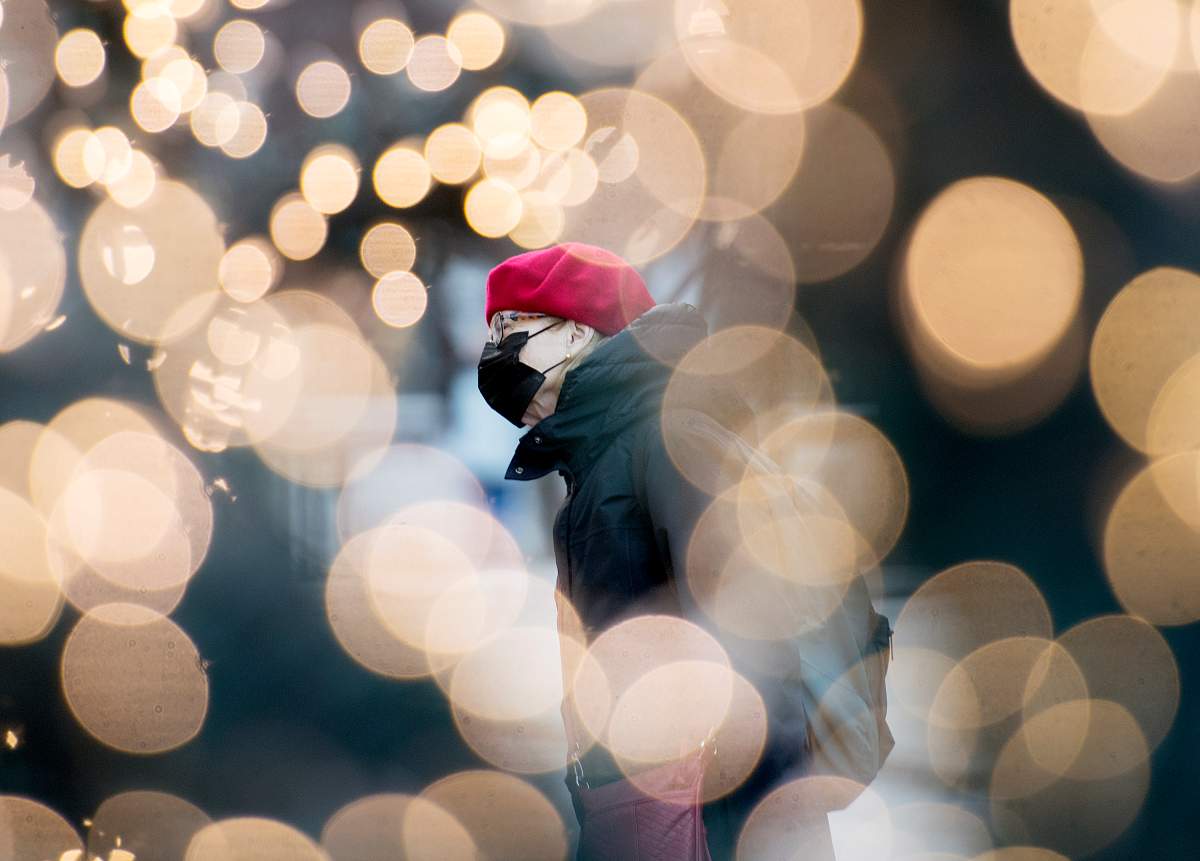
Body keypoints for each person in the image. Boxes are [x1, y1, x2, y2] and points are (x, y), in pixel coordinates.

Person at [477, 242, 838, 860]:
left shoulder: (667, 438)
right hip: (637, 803)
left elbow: (755, 636)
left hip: (699, 811)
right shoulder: (599, 459)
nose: (495, 356)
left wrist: (770, 829)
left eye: (513, 330)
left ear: (576, 334)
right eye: (492, 335)